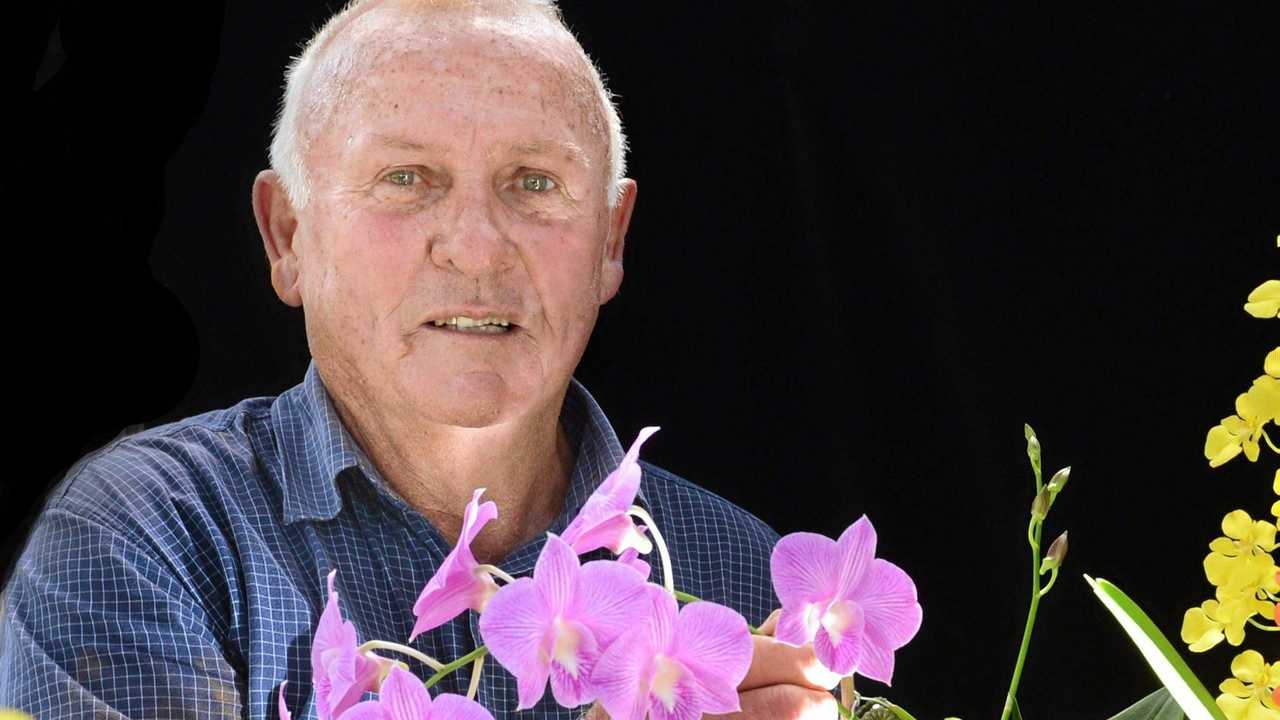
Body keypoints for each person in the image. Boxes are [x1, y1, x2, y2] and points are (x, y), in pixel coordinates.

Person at [0, 1, 842, 717]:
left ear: (611, 241)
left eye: (536, 183)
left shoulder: (738, 570)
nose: (477, 250)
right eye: (407, 178)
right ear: (287, 237)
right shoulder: (145, 535)